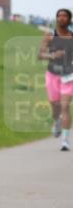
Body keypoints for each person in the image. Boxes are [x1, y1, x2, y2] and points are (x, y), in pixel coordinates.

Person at [40, 8, 73, 151]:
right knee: (55, 105)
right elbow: (40, 54)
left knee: (65, 106)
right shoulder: (49, 36)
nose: (62, 18)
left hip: (69, 75)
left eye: (65, 16)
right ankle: (57, 121)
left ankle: (65, 140)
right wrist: (52, 56)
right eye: (59, 16)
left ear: (69, 19)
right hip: (52, 74)